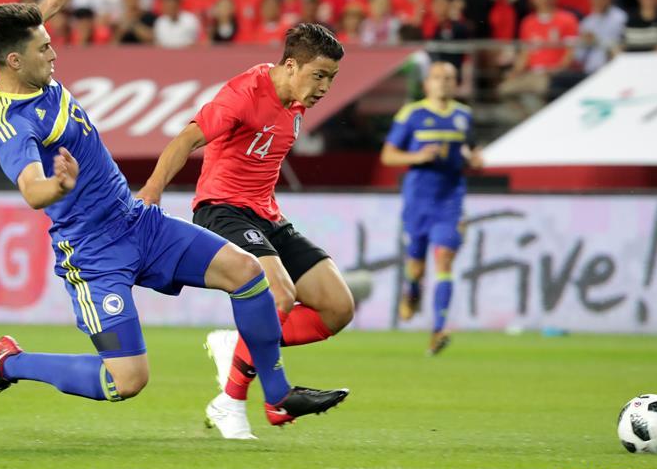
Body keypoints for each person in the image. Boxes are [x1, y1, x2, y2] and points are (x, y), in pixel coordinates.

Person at [0, 0, 347, 433]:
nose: (54, 53)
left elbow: (11, 37)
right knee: (126, 380)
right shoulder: (14, 127)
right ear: (14, 61)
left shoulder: (16, 67)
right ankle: (10, 363)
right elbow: (30, 188)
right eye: (44, 48)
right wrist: (58, 187)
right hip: (93, 252)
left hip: (136, 221)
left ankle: (278, 395)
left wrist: (49, 2)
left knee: (249, 275)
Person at [137, 23, 355, 440]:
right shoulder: (244, 94)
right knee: (280, 295)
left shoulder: (296, 97)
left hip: (268, 215)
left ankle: (237, 345)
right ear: (290, 65)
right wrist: (152, 190)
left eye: (332, 78)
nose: (326, 87)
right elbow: (186, 138)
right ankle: (236, 401)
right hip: (223, 209)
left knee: (337, 308)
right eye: (319, 75)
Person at [379, 62, 482, 355]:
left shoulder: (464, 115)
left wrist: (476, 159)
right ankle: (412, 290)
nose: (444, 83)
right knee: (417, 266)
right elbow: (388, 155)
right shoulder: (411, 114)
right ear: (427, 84)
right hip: (418, 199)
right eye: (438, 78)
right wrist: (418, 156)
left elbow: (472, 152)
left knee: (445, 260)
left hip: (451, 199)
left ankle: (439, 328)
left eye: (449, 78)